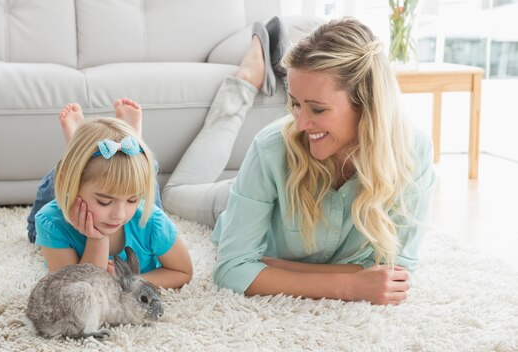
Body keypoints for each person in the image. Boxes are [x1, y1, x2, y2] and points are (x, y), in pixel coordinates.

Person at [162, 17, 436, 305]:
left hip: (262, 194)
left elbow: (394, 276)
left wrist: (274, 267)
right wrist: (349, 285)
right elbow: (232, 270)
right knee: (172, 195)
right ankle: (244, 82)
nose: (301, 123)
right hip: (232, 199)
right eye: (295, 103)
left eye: (317, 109)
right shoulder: (271, 148)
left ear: (366, 103)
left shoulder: (411, 153)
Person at [29, 100, 192, 289]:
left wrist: (129, 282)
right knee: (33, 234)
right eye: (105, 202)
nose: (119, 214)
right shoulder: (51, 222)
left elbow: (183, 272)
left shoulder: (152, 220)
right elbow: (77, 291)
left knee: (148, 184)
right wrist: (97, 240)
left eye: (132, 199)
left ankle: (125, 146)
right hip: (66, 192)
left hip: (140, 211)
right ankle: (75, 148)